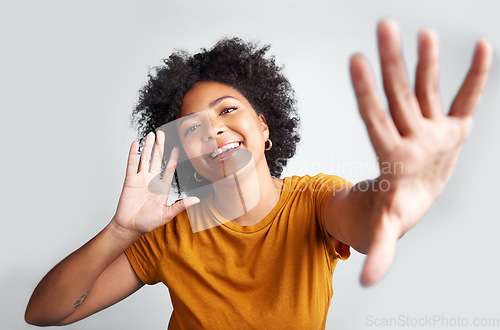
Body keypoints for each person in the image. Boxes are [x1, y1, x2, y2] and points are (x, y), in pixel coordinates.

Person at [25, 19, 492, 328]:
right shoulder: (169, 231)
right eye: (192, 128)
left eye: (228, 109)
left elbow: (365, 219)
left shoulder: (313, 202)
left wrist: (396, 196)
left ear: (264, 126)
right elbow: (44, 313)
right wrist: (121, 229)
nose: (214, 130)